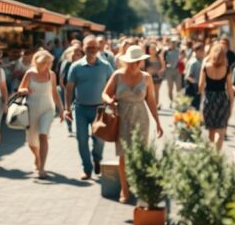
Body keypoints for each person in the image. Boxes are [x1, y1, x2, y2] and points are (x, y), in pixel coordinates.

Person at [102, 45, 163, 202]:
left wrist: (158, 121)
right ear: (127, 62)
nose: (134, 64)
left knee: (140, 153)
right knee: (123, 154)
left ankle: (139, 186)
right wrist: (110, 101)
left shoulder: (147, 78)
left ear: (141, 62)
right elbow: (105, 93)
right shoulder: (117, 75)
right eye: (132, 62)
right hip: (122, 116)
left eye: (137, 62)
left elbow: (150, 100)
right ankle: (125, 189)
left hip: (141, 116)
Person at [66, 35, 114, 179]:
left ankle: (97, 158)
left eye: (94, 47)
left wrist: (112, 103)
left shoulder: (105, 66)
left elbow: (112, 85)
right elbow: (69, 88)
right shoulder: (75, 66)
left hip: (100, 109)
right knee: (81, 140)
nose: (92, 49)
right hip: (81, 109)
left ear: (98, 48)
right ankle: (87, 168)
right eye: (88, 47)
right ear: (83, 48)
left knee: (99, 139)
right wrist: (67, 108)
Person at [18, 50, 66, 178]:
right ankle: (37, 157)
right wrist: (25, 90)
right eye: (45, 63)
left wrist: (61, 109)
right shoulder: (30, 73)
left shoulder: (51, 74)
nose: (48, 65)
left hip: (48, 109)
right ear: (38, 63)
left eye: (49, 63)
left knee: (43, 135)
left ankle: (42, 168)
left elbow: (55, 93)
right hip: (32, 109)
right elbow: (20, 89)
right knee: (31, 141)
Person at [199, 43, 234, 150]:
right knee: (221, 131)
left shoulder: (205, 67)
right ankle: (217, 153)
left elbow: (200, 87)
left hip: (209, 100)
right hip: (222, 100)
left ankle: (211, 154)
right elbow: (230, 89)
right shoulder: (226, 69)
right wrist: (231, 104)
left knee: (211, 131)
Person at [59, 45, 83, 137]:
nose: (77, 54)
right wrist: (66, 89)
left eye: (79, 52)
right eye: (75, 52)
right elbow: (62, 78)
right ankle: (69, 127)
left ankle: (78, 127)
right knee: (68, 108)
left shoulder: (82, 63)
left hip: (79, 90)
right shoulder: (67, 63)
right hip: (68, 89)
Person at [184, 43, 205, 110]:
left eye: (203, 50)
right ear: (195, 51)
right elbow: (188, 76)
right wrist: (196, 83)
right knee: (192, 108)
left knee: (197, 107)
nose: (203, 53)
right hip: (192, 88)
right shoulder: (193, 62)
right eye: (201, 51)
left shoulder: (201, 61)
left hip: (198, 88)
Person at [163, 40, 181, 105]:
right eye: (172, 43)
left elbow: (183, 58)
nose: (173, 44)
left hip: (177, 70)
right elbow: (163, 60)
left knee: (179, 87)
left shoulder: (179, 51)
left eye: (174, 42)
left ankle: (178, 102)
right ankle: (171, 101)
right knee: (170, 87)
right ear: (169, 43)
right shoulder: (166, 51)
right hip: (169, 71)